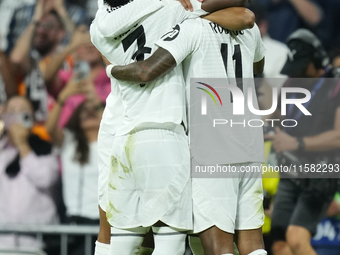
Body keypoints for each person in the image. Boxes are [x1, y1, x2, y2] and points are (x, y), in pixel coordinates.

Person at [91, 0, 253, 254]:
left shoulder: (97, 29)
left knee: (118, 237)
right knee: (170, 242)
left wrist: (110, 69)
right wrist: (200, 17)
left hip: (117, 132)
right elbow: (243, 16)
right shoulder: (171, 10)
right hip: (163, 135)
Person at [266, 29, 340, 255]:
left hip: (321, 173)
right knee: (279, 244)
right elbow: (274, 116)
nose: (295, 74)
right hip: (291, 171)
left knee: (297, 238)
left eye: (300, 69)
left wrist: (296, 143)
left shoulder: (336, 85)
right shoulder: (291, 83)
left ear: (314, 62)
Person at [45, 69, 105, 255]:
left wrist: (95, 100)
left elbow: (113, 125)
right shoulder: (69, 142)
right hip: (74, 222)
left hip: (104, 222)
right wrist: (65, 95)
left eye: (92, 110)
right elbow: (49, 128)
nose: (88, 113)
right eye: (83, 111)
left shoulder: (111, 142)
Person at [0, 96, 59, 250]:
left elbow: (45, 178)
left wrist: (22, 145)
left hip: (36, 243)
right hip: (3, 242)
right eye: (11, 111)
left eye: (23, 111)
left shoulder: (46, 149)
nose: (16, 116)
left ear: (32, 118)